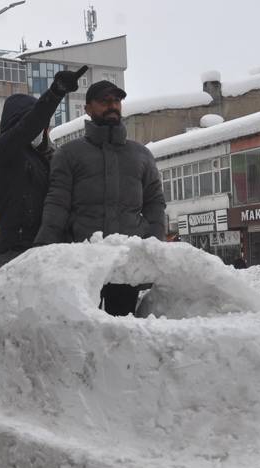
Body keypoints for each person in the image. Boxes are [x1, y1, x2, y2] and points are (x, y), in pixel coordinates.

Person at [35, 79, 166, 316]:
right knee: (82, 329)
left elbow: (155, 204)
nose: (112, 106)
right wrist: (44, 249)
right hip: (82, 261)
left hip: (126, 262)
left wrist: (155, 245)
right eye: (104, 101)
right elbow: (57, 204)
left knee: (123, 331)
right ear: (87, 108)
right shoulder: (69, 154)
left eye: (116, 100)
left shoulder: (141, 155)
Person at [0, 66, 88, 267]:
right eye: (39, 124)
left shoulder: (52, 159)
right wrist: (56, 92)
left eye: (45, 125)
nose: (43, 130)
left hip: (52, 250)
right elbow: (27, 128)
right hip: (17, 254)